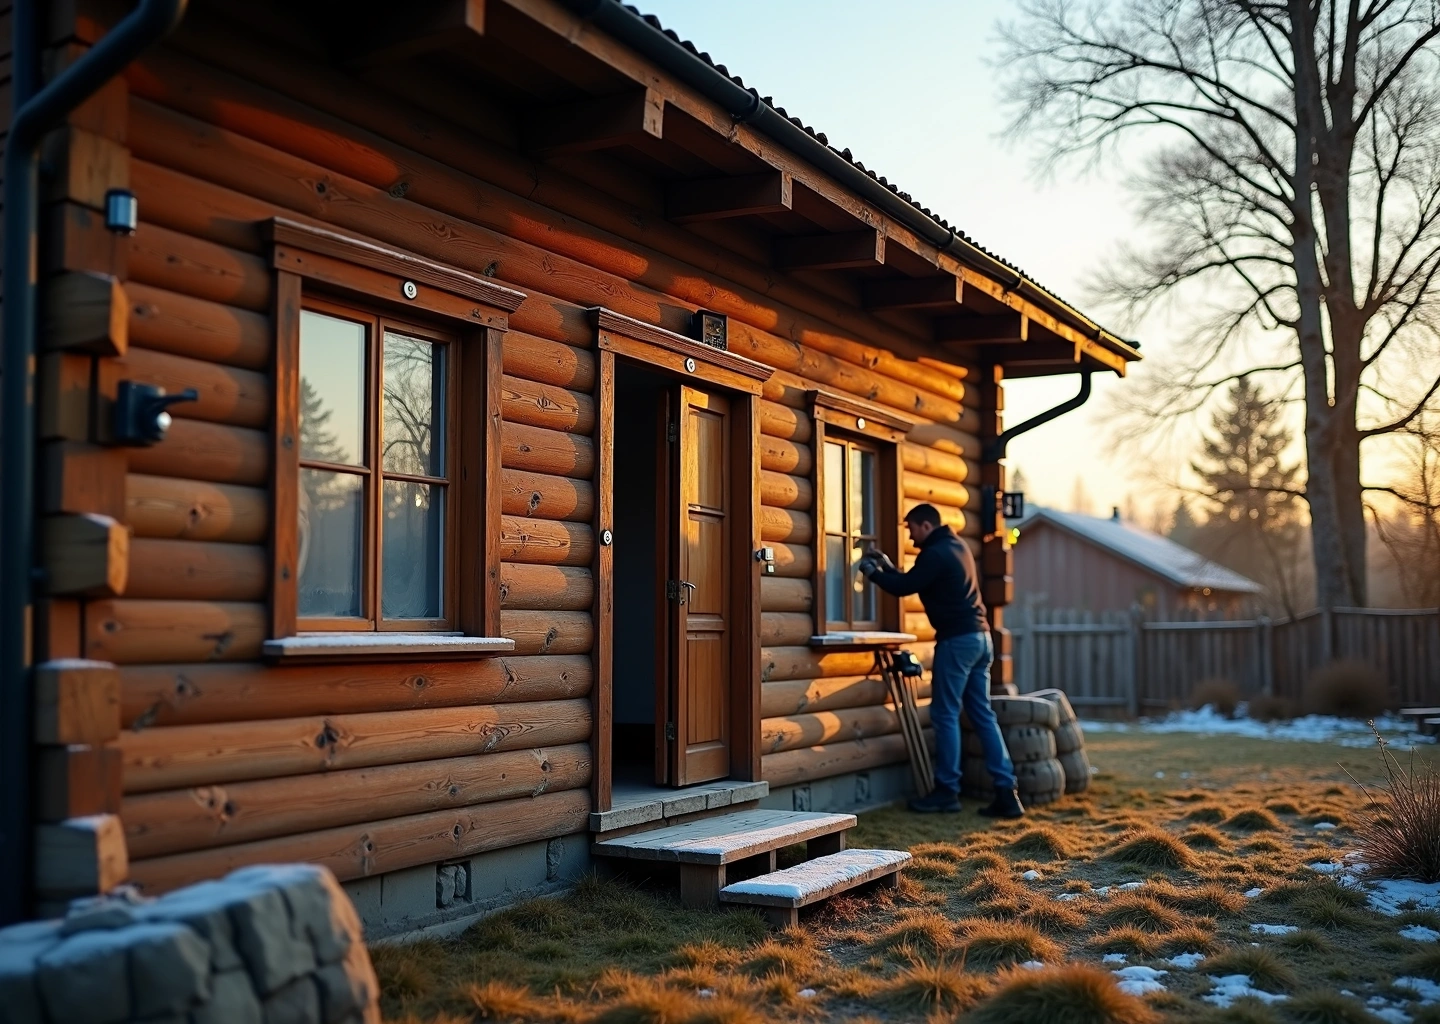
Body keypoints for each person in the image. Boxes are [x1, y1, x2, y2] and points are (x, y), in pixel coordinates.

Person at [857, 504, 1024, 818]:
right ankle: (1006, 791)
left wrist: (872, 574)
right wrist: (888, 567)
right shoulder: (956, 546)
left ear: (925, 526)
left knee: (945, 713)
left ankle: (947, 791)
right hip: (980, 639)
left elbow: (904, 587)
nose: (909, 534)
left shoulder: (934, 554)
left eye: (911, 528)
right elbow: (916, 580)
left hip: (957, 642)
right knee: (982, 714)